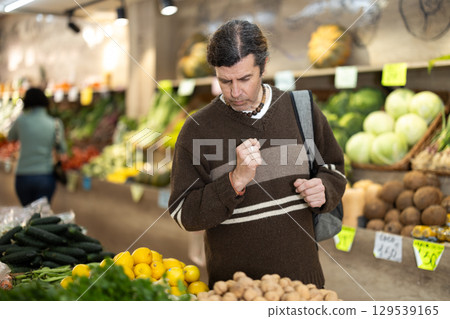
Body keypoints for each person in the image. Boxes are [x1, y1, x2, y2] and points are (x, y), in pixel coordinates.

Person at [169, 20, 346, 289]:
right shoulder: (196, 129)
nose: (235, 92)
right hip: (236, 292)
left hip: (303, 287)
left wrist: (324, 189)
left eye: (244, 78)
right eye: (225, 81)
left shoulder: (301, 109)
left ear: (263, 66)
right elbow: (184, 213)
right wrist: (234, 182)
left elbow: (334, 170)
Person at [7, 87, 67, 206]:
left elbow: (10, 137)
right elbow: (63, 150)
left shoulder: (21, 121)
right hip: (45, 176)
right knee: (42, 217)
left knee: (28, 216)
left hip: (23, 176)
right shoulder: (55, 123)